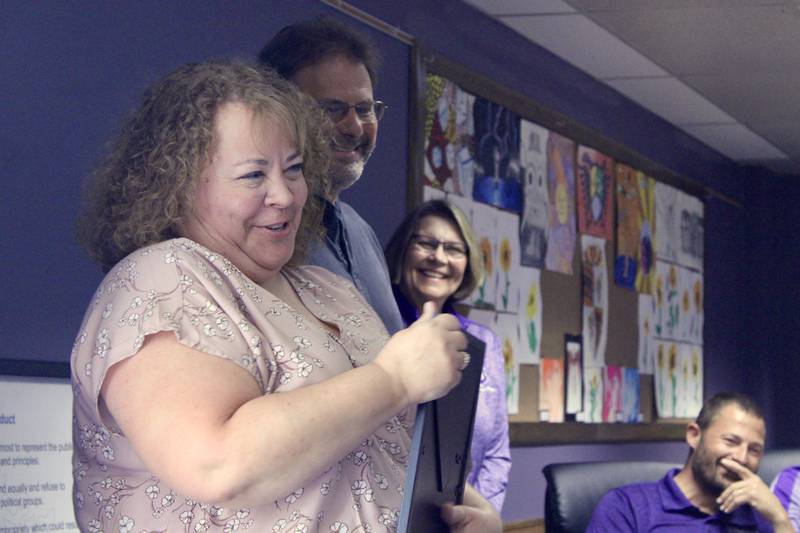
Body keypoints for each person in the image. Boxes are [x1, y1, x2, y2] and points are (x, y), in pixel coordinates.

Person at [70, 60, 501, 532]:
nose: (285, 195)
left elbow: (381, 437)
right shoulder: (158, 280)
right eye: (254, 175)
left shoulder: (330, 289)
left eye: (293, 169)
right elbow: (218, 464)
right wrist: (393, 380)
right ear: (181, 185)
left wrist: (462, 507)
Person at [258, 16, 405, 334]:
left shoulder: (359, 231)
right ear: (278, 109)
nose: (354, 127)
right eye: (331, 108)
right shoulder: (260, 230)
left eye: (365, 109)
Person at [384, 199, 511, 511]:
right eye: (426, 243)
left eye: (454, 249)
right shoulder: (379, 329)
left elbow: (496, 452)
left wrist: (480, 517)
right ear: (403, 250)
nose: (438, 257)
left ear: (467, 262)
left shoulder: (483, 343)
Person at [587, 392, 795, 532]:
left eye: (754, 450)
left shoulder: (758, 516)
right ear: (694, 435)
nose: (741, 458)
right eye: (730, 441)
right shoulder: (627, 506)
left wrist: (780, 519)